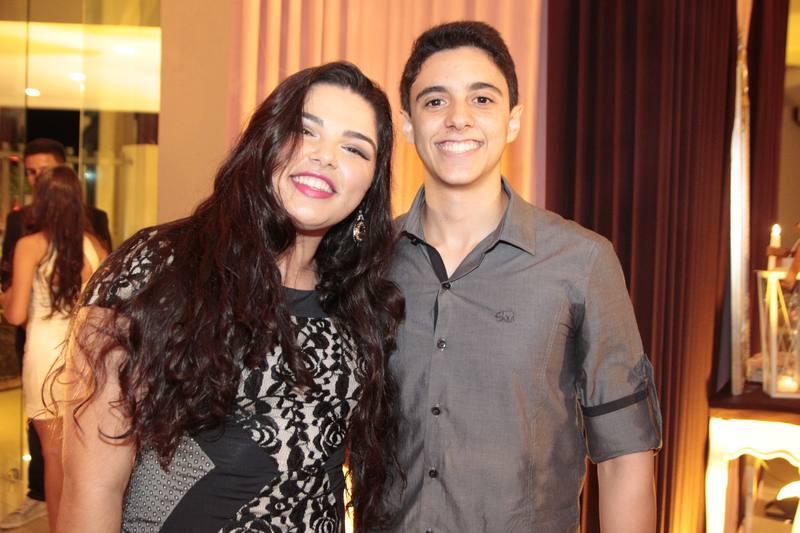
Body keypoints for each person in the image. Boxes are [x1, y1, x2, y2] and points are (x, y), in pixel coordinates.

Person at [57, 61, 404, 532]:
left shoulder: (357, 301)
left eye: (354, 148)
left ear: (370, 183)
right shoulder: (161, 268)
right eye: (305, 130)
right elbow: (91, 488)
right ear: (265, 140)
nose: (325, 157)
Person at [386, 21, 662, 532]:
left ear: (513, 120)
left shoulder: (582, 262)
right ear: (407, 124)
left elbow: (625, 460)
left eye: (482, 99)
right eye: (435, 101)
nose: (458, 118)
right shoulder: (367, 263)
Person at [0, 138, 111, 531]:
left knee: (52, 455)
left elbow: (16, 314)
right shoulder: (94, 245)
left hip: (46, 351)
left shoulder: (30, 245)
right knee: (81, 456)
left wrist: (7, 296)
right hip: (84, 355)